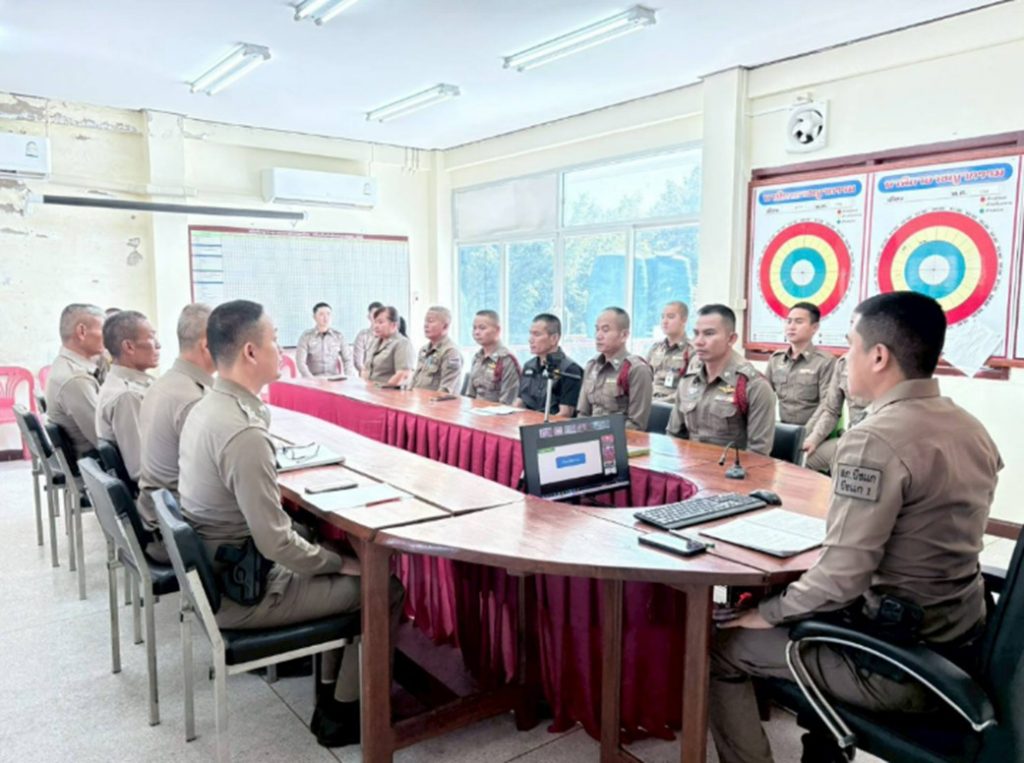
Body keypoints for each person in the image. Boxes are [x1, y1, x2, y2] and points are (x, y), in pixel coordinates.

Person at [709, 292, 1003, 763]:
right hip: (962, 643)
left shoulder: (873, 440)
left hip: (898, 664)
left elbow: (842, 578)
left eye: (850, 345)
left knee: (724, 645)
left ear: (879, 356)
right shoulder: (970, 427)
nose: (845, 360)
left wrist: (767, 611)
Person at [177, 299, 403, 747]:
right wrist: (337, 563)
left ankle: (331, 691)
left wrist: (327, 554)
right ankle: (345, 714)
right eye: (275, 339)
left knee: (330, 548)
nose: (282, 350)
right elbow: (276, 544)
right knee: (382, 586)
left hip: (224, 570)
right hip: (244, 589)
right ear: (250, 352)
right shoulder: (242, 432)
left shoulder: (208, 406)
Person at [137, 304, 215, 561]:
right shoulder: (192, 399)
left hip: (162, 516)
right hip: (180, 528)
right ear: (207, 345)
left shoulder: (165, 384)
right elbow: (216, 482)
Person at [666, 304, 775, 455]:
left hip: (730, 468)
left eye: (709, 334)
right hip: (689, 465)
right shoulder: (688, 381)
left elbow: (758, 454)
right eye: (696, 333)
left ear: (731, 339)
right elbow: (674, 436)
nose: (698, 341)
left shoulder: (753, 386)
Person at [95, 310, 161, 482]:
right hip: (154, 491)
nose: (158, 345)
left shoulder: (118, 382)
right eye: (151, 337)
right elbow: (141, 470)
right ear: (129, 347)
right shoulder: (128, 396)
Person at [45, 303, 106, 457]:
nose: (109, 337)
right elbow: (103, 438)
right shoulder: (76, 380)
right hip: (96, 463)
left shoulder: (63, 364)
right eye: (104, 330)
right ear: (82, 332)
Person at [577, 307, 653, 430]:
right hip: (590, 435)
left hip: (621, 437)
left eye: (605, 330)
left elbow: (636, 424)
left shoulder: (636, 370)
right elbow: (583, 414)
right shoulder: (592, 366)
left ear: (624, 335)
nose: (598, 336)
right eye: (597, 329)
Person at [766, 302, 836, 425]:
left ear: (814, 327)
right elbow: (764, 395)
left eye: (798, 322)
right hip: (783, 428)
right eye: (788, 321)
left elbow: (827, 405)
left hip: (813, 430)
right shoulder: (776, 359)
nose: (791, 327)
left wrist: (805, 432)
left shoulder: (825, 362)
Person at [802, 352, 869, 474]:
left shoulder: (893, 363)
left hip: (880, 443)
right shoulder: (844, 363)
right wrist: (813, 439)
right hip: (852, 439)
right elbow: (831, 410)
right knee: (803, 460)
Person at [515, 313, 583, 417]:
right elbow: (519, 403)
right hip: (527, 422)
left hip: (551, 424)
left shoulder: (569, 369)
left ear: (554, 338)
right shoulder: (529, 366)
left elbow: (565, 413)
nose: (530, 339)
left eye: (537, 335)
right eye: (530, 334)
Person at [464, 310, 521, 405]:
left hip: (497, 412)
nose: (476, 332)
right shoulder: (477, 357)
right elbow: (470, 395)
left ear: (497, 330)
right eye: (474, 328)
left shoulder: (506, 360)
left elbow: (508, 401)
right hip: (474, 410)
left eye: (482, 328)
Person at [646, 300, 695, 401]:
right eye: (662, 317)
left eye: (671, 317)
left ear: (684, 320)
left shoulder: (692, 351)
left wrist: (660, 402)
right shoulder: (655, 348)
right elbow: (644, 380)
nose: (665, 321)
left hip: (673, 403)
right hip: (650, 400)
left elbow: (691, 388)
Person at [410, 305, 463, 393]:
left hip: (437, 400)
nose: (426, 325)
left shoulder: (450, 352)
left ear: (445, 326)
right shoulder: (424, 350)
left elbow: (446, 390)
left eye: (430, 321)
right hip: (418, 398)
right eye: (425, 321)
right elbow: (414, 380)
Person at [295, 302, 354, 378]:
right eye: (321, 314)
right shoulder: (306, 337)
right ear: (314, 317)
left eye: (328, 314)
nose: (326, 318)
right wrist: (311, 379)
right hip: (313, 378)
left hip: (334, 379)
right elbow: (300, 362)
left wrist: (348, 377)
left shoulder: (338, 336)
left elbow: (348, 359)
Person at [361, 305, 414, 386]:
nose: (376, 326)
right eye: (375, 322)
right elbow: (366, 368)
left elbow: (403, 374)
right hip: (370, 389)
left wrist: (384, 389)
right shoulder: (374, 342)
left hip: (389, 391)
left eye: (380, 322)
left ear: (393, 325)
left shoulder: (402, 343)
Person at [352, 300, 383, 374]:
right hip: (366, 375)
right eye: (374, 314)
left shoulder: (389, 336)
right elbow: (358, 361)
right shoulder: (362, 336)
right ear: (368, 316)